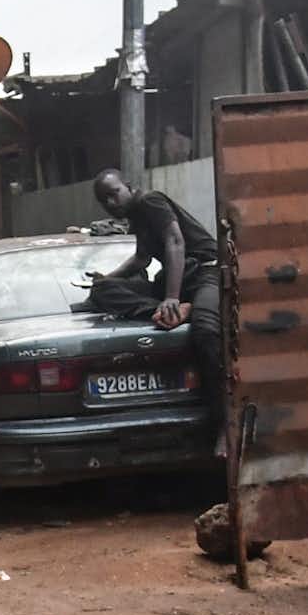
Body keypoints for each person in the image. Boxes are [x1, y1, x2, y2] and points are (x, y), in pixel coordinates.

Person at [92, 167, 225, 423]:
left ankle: (222, 417)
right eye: (104, 200)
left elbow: (175, 241)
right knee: (102, 290)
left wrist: (171, 297)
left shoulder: (149, 201)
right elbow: (141, 260)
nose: (110, 203)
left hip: (206, 272)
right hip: (180, 282)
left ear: (128, 186)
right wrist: (107, 278)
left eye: (114, 193)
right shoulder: (136, 217)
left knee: (206, 330)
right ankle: (177, 311)